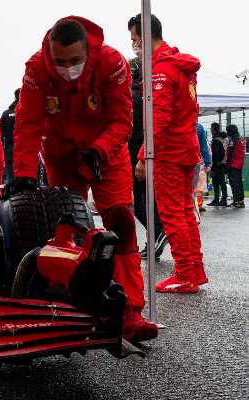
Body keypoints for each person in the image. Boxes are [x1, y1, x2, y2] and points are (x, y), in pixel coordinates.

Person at [11, 17, 157, 342]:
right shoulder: (37, 68)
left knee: (121, 222)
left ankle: (131, 312)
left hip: (108, 151)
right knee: (64, 227)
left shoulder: (112, 62)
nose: (67, 68)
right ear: (50, 53)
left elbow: (122, 120)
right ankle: (64, 306)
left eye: (74, 61)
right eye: (60, 62)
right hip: (62, 155)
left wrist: (100, 150)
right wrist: (22, 173)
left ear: (87, 51)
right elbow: (27, 123)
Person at [131, 14, 205, 293]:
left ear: (147, 36)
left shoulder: (161, 69)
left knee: (173, 213)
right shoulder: (181, 65)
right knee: (185, 212)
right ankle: (194, 270)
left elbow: (158, 117)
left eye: (136, 40)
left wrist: (141, 155)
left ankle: (185, 273)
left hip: (170, 152)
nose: (135, 46)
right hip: (186, 149)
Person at [127, 55, 167, 260]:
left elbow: (132, 129)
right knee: (147, 198)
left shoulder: (135, 93)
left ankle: (159, 231)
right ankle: (156, 235)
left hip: (137, 154)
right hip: (148, 152)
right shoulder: (147, 91)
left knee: (139, 200)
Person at [0, 89, 19, 186]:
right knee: (26, 178)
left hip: (9, 150)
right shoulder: (27, 113)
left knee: (9, 177)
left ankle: (9, 198)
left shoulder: (6, 114)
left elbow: (0, 134)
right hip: (25, 151)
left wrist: (3, 150)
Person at [208, 123, 228, 207]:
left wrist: (213, 166)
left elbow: (216, 155)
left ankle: (220, 200)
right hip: (223, 163)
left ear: (214, 129)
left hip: (217, 164)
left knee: (217, 182)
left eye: (211, 128)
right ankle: (220, 199)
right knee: (220, 182)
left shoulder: (216, 140)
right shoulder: (222, 138)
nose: (210, 130)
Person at [227, 124, 245, 208]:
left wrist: (227, 163)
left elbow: (230, 152)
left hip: (233, 164)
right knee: (239, 182)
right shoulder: (240, 138)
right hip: (239, 164)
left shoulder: (233, 139)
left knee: (234, 183)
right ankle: (240, 201)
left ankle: (236, 201)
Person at [195, 122, 212, 211]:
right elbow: (206, 150)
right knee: (198, 188)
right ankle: (198, 206)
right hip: (198, 164)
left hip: (178, 162)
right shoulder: (198, 127)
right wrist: (208, 163)